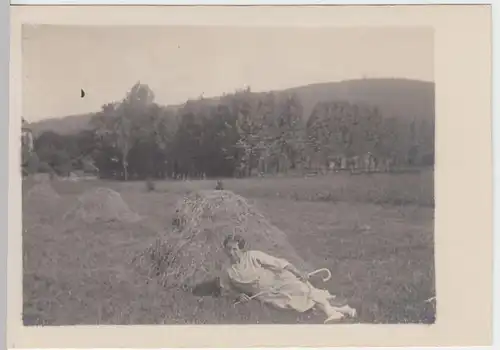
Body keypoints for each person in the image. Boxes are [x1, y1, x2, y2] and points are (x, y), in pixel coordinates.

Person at [218, 234, 357, 323]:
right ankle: (344, 310)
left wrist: (298, 273)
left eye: (235, 249)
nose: (231, 252)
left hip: (278, 279)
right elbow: (225, 290)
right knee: (293, 304)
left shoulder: (253, 255)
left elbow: (279, 262)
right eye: (228, 249)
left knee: (302, 290)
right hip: (265, 294)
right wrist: (238, 296)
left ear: (241, 249)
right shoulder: (226, 270)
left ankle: (331, 313)